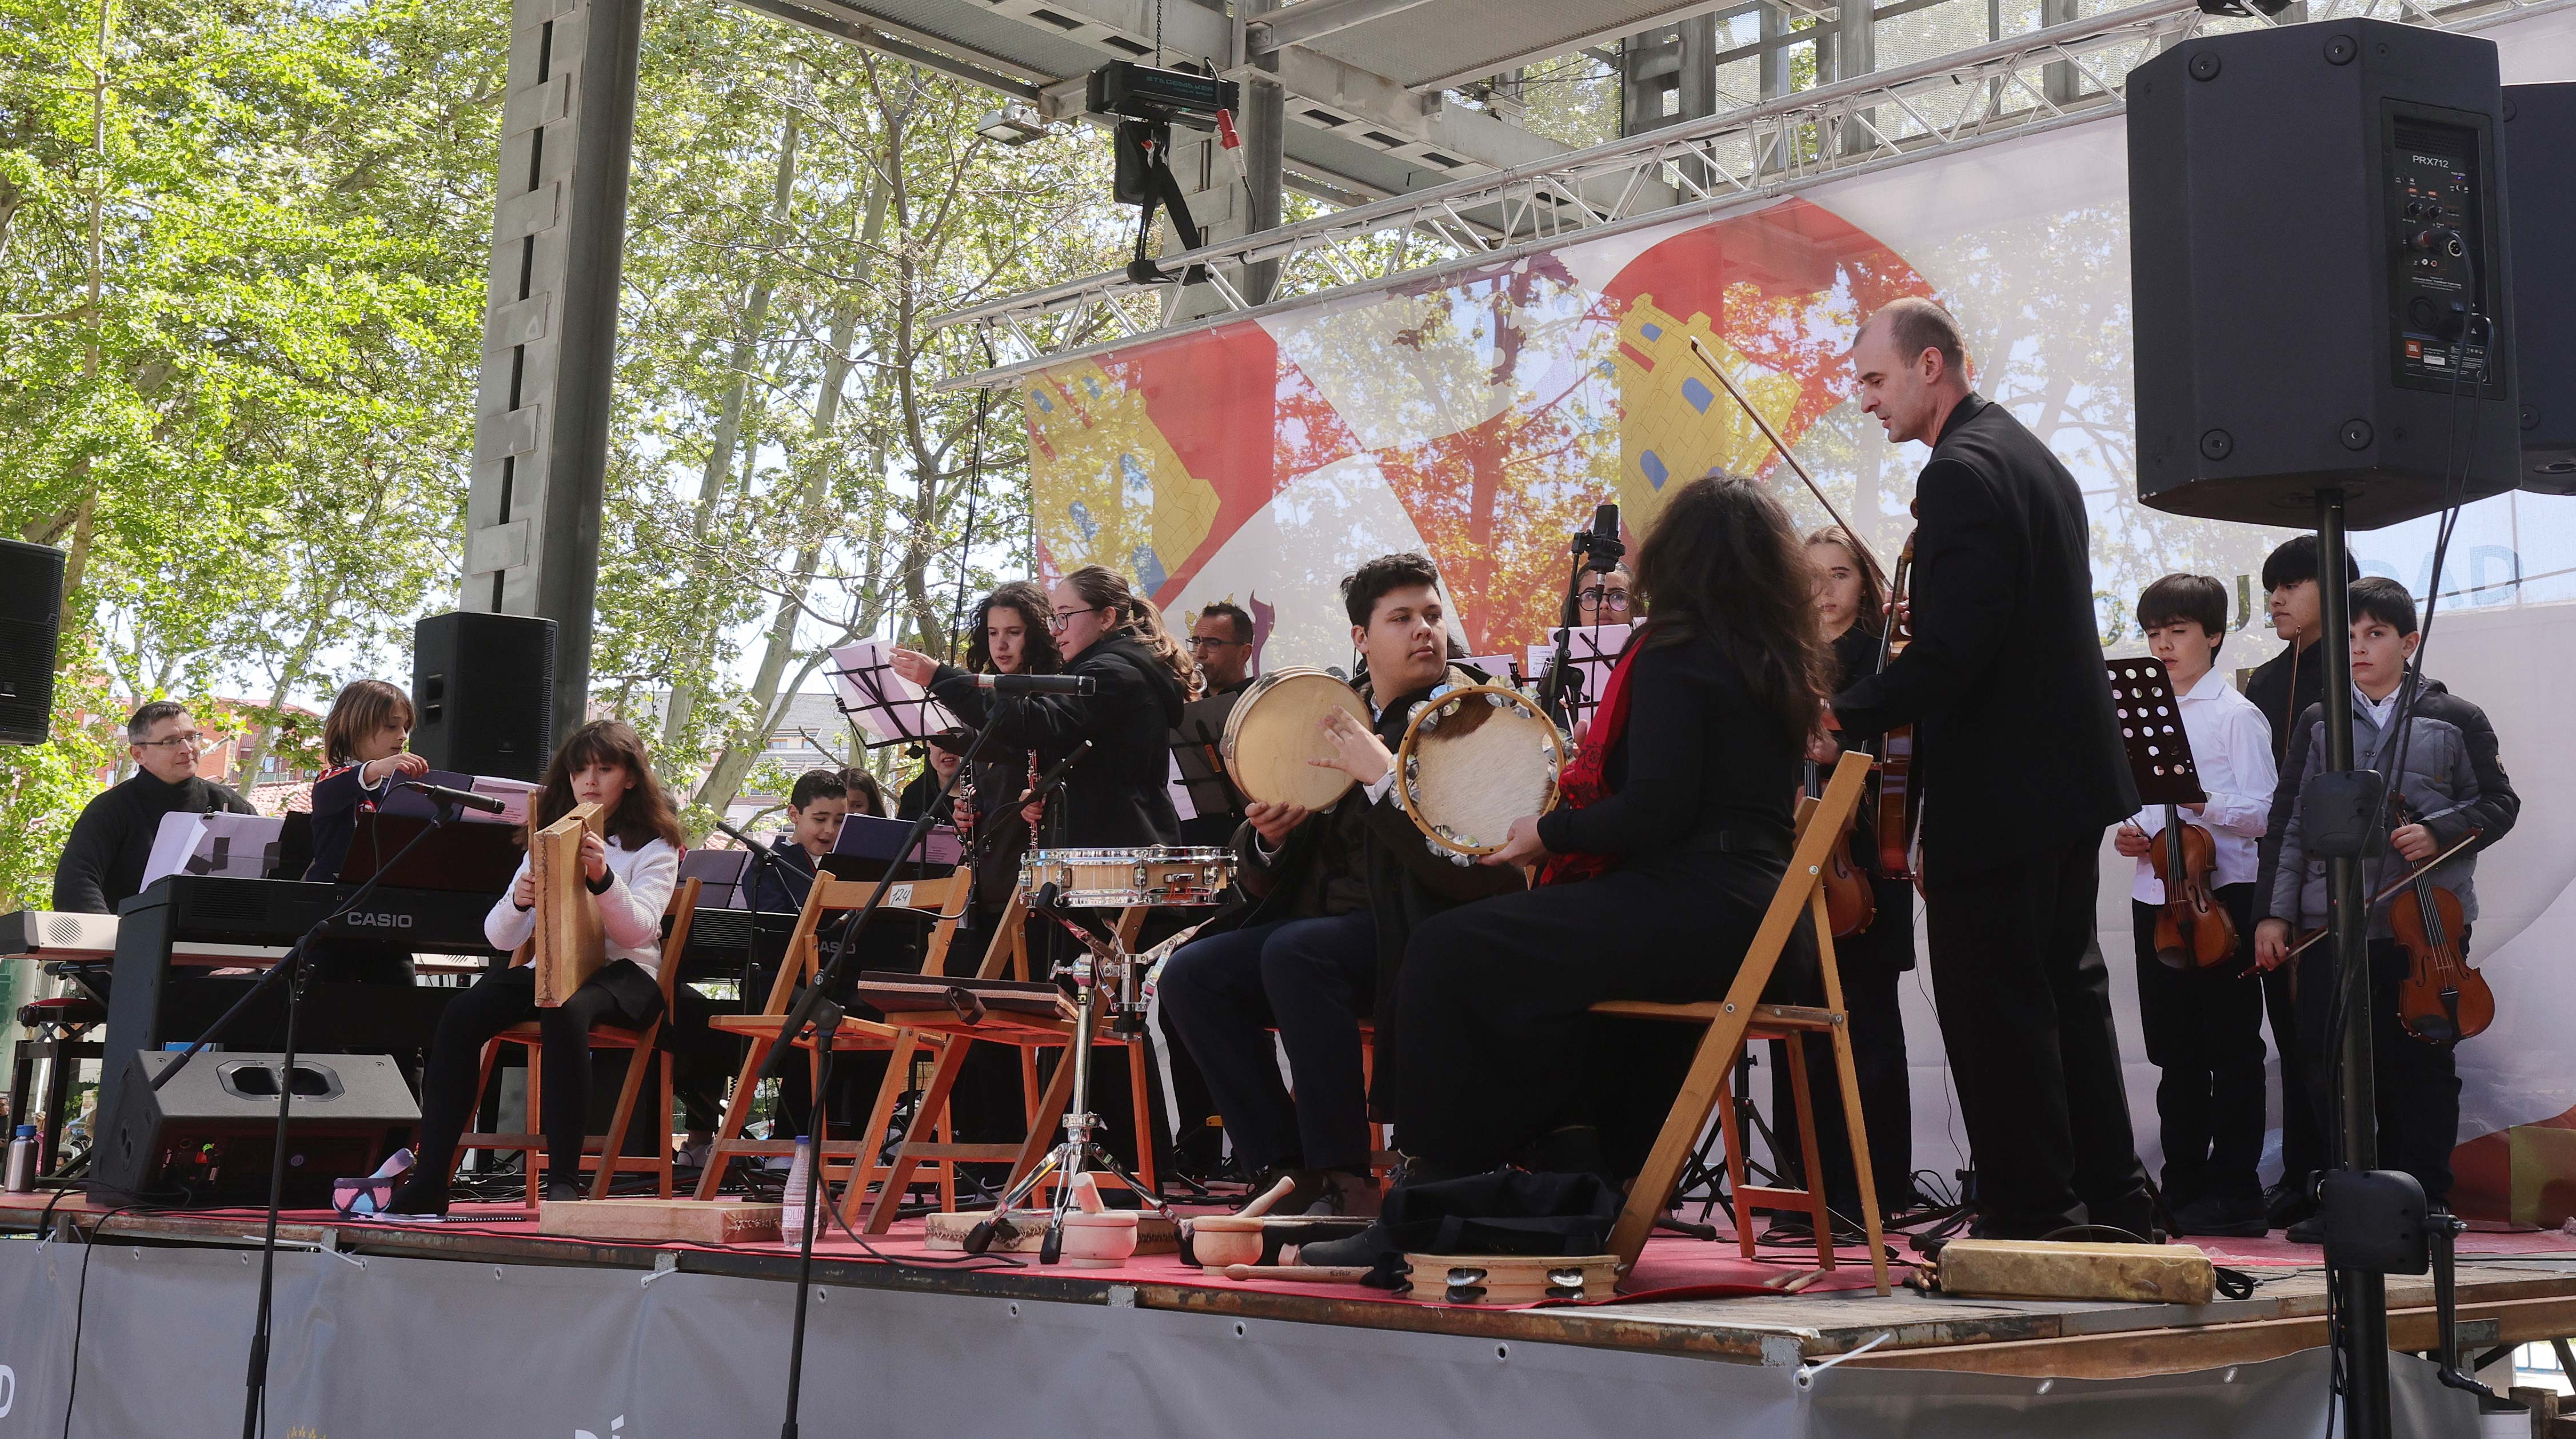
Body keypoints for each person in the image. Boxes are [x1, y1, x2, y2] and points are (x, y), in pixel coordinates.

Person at [1375, 473, 1826, 1187]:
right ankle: (1568, 1158)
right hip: (1762, 920)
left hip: (1702, 910)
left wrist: (1549, 831)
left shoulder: (1679, 652)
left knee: (1446, 949)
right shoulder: (1768, 655)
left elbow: (1657, 811)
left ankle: (1436, 1185)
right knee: (1528, 963)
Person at [1822, 297, 2152, 1241]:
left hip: (2004, 785)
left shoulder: (1959, 474)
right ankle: (2112, 1196)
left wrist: (1840, 711)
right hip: (2062, 777)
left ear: (1933, 366)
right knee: (2063, 987)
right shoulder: (2026, 456)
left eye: (1874, 379)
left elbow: (1952, 653)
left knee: (1994, 1000)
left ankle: (2030, 1210)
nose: (1863, 400)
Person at [1156, 554, 1523, 1215]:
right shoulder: (1331, 712)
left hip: (1421, 930)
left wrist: (1383, 778)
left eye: (1433, 616)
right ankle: (1288, 1169)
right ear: (1362, 637)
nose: (1424, 632)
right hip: (1329, 929)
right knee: (1192, 974)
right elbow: (1268, 854)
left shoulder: (1470, 715)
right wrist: (1272, 835)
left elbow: (1470, 867)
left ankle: (1346, 1176)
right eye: (1403, 618)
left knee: (1295, 952)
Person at [2255, 578, 2518, 1235]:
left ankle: (2421, 1199)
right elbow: (2288, 823)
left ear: (2409, 641)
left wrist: (2439, 830)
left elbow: (2499, 805)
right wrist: (2274, 914)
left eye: (2375, 635)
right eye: (2348, 637)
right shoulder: (2320, 721)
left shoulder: (2456, 716)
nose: (2360, 649)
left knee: (2419, 1066)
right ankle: (2343, 1199)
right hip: (2331, 921)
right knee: (2326, 1064)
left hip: (2426, 929)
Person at [390, 720, 686, 1213]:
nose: (589, 780)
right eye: (579, 770)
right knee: (464, 1012)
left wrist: (603, 876)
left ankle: (564, 1180)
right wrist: (521, 902)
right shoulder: (547, 839)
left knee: (563, 1006)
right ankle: (431, 1177)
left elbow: (637, 931)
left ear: (630, 777)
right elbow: (499, 936)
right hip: (554, 968)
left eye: (604, 769)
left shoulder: (654, 844)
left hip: (625, 976)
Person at [2110, 575, 2277, 1237]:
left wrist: (2207, 805)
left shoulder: (2236, 714)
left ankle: (2238, 1191)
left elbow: (2265, 813)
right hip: (2156, 893)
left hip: (2221, 896)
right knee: (2173, 1050)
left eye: (2177, 631)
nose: (2164, 644)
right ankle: (2181, 1183)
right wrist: (2128, 831)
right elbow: (2136, 802)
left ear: (2212, 635)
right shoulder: (2141, 712)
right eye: (2154, 633)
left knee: (2231, 1047)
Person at [1791, 525, 1920, 1222]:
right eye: (1809, 577)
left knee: (1868, 1027)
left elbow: (1905, 764)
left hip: (1865, 860)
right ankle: (1804, 1192)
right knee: (1798, 1025)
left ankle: (1877, 1192)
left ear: (1865, 585)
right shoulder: (1778, 660)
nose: (1823, 591)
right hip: (1793, 864)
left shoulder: (1884, 660)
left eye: (1838, 574)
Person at [890, 566, 1194, 849]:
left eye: (1065, 616)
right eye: (1053, 619)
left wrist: (942, 678)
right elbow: (1064, 753)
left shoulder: (1114, 673)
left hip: (1120, 855)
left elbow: (1038, 724)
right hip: (1105, 848)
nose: (1055, 630)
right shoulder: (1113, 668)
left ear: (1106, 618)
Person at [2242, 535, 2358, 1229]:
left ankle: (2346, 1176)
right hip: (2276, 874)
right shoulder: (2261, 680)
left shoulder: (2358, 666)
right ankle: (2301, 1172)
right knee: (2290, 1032)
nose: (2277, 600)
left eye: (2291, 585)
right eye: (2272, 588)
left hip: (2342, 880)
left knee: (2336, 1035)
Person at [53, 700, 256, 914]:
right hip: (130, 940)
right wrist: (114, 937)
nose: (186, 749)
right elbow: (75, 887)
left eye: (191, 737)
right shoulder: (109, 810)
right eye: (171, 742)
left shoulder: (231, 805)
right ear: (139, 755)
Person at [304, 679, 430, 883]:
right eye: (391, 726)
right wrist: (376, 768)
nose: (402, 736)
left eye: (406, 728)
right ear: (354, 727)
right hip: (334, 901)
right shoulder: (332, 779)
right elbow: (332, 787)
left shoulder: (397, 786)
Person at [751, 770, 852, 915]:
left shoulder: (848, 863)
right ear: (794, 815)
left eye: (839, 821)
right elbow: (773, 929)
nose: (830, 830)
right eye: (820, 819)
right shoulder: (766, 866)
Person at [1188, 601, 1258, 696]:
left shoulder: (1262, 702)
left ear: (1244, 653)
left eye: (1213, 644)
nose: (1199, 654)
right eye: (1196, 643)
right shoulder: (1186, 702)